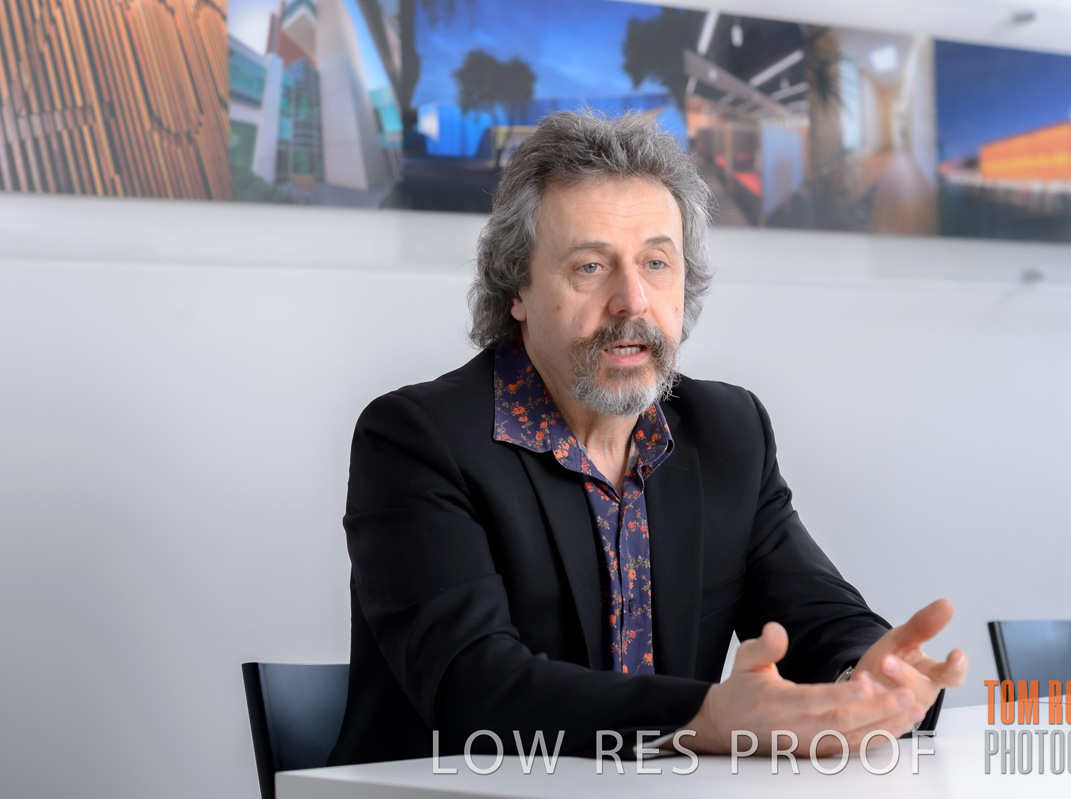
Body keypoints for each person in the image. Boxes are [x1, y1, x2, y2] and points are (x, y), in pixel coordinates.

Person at [328, 110, 966, 766]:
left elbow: (819, 617)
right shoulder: (417, 440)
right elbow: (475, 689)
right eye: (590, 266)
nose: (632, 300)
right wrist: (701, 717)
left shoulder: (727, 432)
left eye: (656, 262)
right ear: (517, 286)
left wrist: (871, 678)